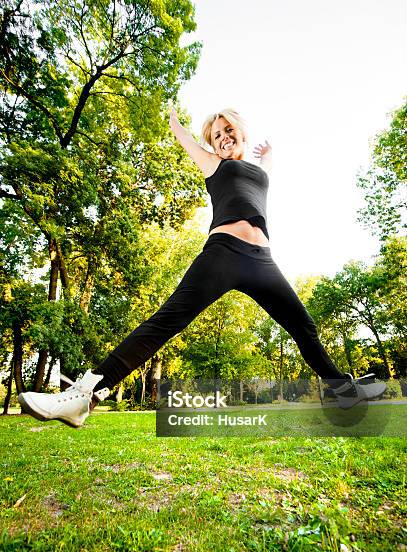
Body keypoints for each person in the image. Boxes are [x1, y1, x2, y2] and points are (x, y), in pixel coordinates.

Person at [18, 107, 386, 427]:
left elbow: (265, 170)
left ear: (241, 131)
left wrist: (270, 154)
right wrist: (175, 122)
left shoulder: (259, 171)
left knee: (302, 324)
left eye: (229, 131)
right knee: (166, 321)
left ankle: (343, 388)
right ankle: (85, 394)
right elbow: (187, 141)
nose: (223, 138)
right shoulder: (214, 164)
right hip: (222, 254)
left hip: (262, 262)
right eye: (216, 135)